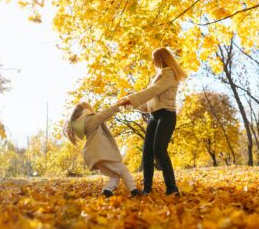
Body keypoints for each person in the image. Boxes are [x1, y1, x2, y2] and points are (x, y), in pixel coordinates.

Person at [118, 47, 188, 196]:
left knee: (159, 149)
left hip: (167, 115)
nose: (152, 61)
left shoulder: (169, 73)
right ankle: (147, 189)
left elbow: (154, 91)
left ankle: (172, 188)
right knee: (147, 153)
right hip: (154, 116)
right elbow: (148, 102)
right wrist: (128, 104)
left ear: (161, 58)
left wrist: (131, 99)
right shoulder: (158, 76)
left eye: (154, 58)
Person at [63, 102, 140, 197]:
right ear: (84, 110)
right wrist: (120, 105)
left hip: (94, 155)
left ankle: (107, 190)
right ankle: (134, 190)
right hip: (101, 152)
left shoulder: (83, 123)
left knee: (115, 175)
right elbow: (106, 113)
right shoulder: (91, 119)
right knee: (123, 169)